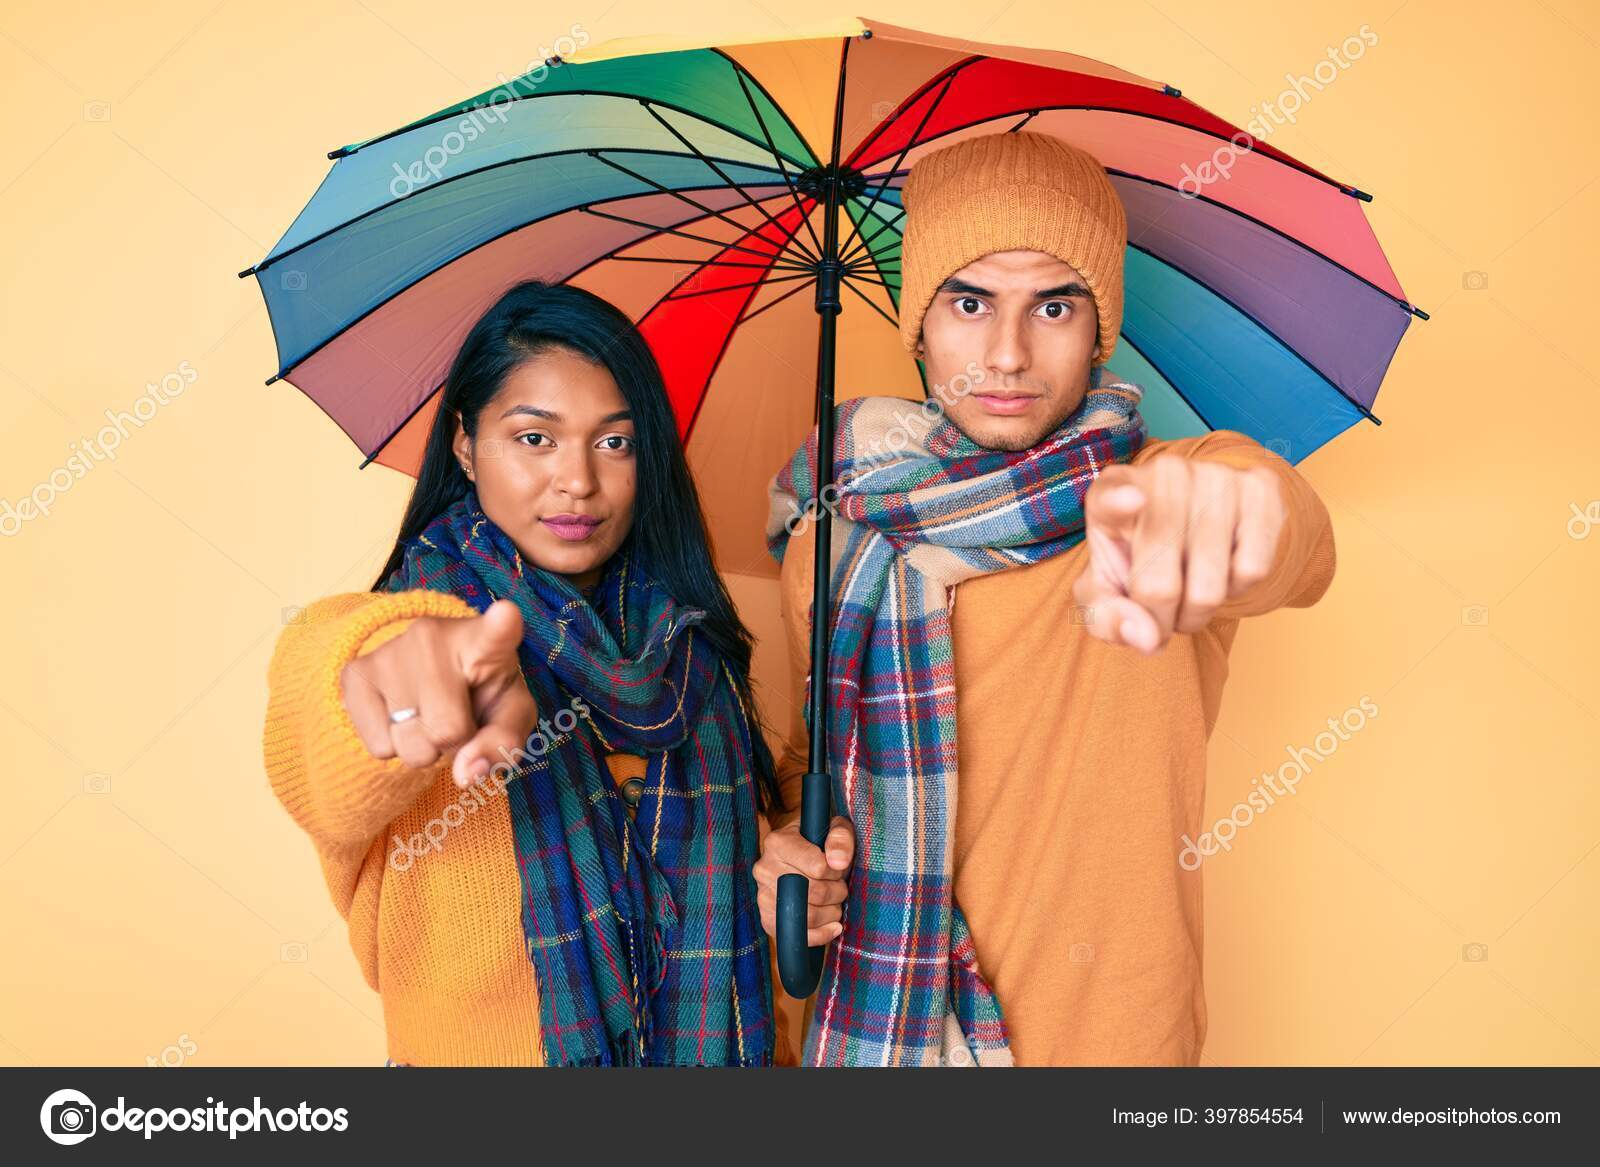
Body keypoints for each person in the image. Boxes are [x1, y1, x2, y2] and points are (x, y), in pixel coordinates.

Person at [756, 131, 1337, 1066]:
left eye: (1054, 306)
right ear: (919, 323)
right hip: (879, 1036)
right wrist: (791, 847)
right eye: (970, 300)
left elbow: (1288, 540)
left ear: (1097, 330)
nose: (1007, 353)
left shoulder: (1156, 489)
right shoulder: (834, 540)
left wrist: (1238, 514)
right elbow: (808, 757)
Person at [263, 280, 781, 1066]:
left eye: (615, 441)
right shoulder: (419, 624)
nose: (578, 480)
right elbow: (324, 720)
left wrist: (791, 868)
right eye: (535, 438)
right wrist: (394, 662)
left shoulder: (692, 653)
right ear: (466, 444)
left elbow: (738, 897)